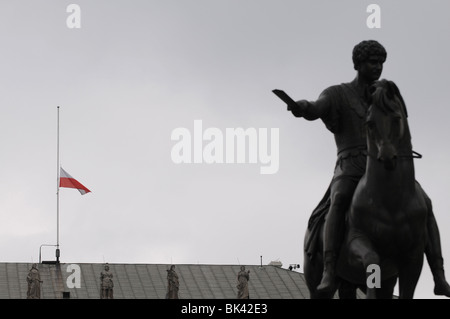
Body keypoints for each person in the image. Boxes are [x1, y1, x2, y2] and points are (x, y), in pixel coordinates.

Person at [289, 40, 450, 296]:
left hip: (386, 168)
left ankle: (439, 276)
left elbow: (399, 127)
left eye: (380, 63)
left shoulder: (386, 95)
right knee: (340, 198)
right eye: (371, 62)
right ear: (358, 64)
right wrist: (303, 108)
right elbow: (317, 107)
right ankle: (330, 271)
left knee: (425, 204)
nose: (377, 67)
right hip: (350, 167)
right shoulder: (337, 94)